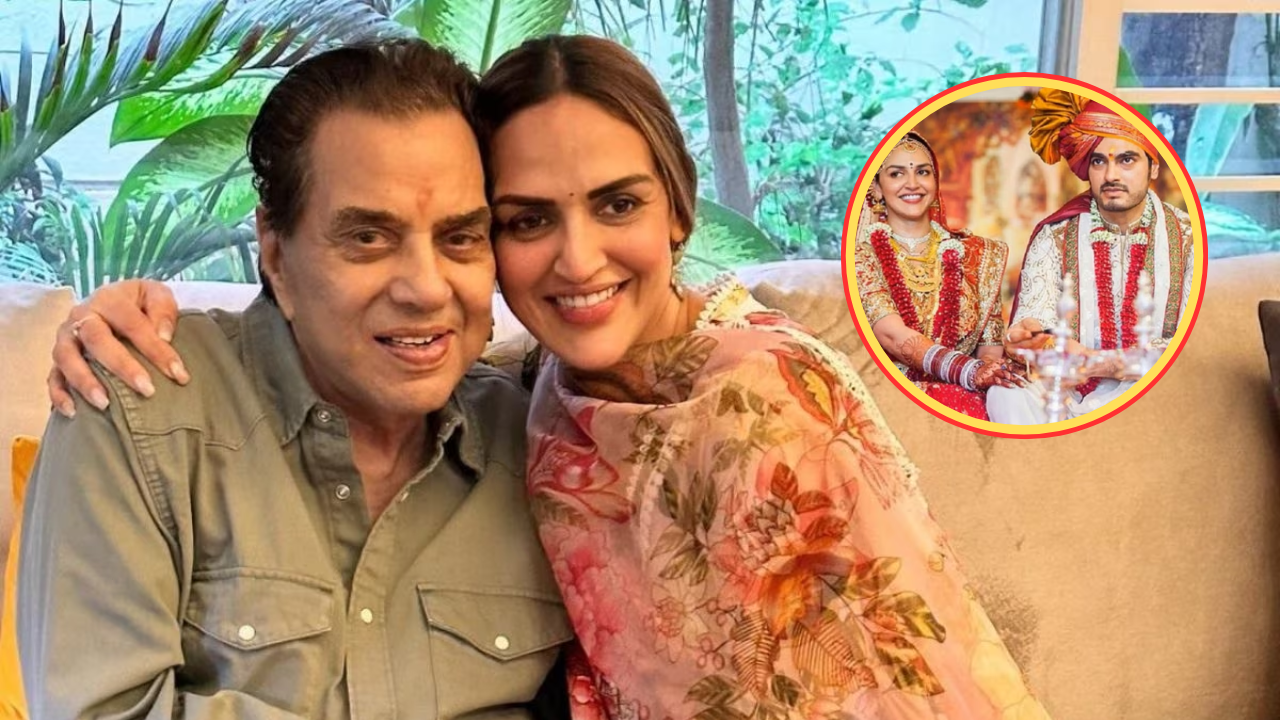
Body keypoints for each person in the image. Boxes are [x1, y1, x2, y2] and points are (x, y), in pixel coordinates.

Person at [47, 36, 1050, 720]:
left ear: (678, 210)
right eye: (525, 220)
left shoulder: (705, 403)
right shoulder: (532, 408)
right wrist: (117, 313)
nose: (575, 260)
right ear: (272, 249)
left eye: (462, 235)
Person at [18, 40, 572, 719]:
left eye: (459, 238)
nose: (428, 289)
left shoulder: (547, 447)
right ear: (275, 254)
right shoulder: (139, 412)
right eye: (368, 237)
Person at [987, 89, 1194, 424]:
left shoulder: (1188, 238)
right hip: (1070, 388)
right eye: (1099, 161)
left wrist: (1096, 362)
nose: (1111, 175)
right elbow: (1034, 326)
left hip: (1152, 390)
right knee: (1007, 393)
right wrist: (1032, 339)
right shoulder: (1056, 235)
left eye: (1127, 160)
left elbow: (1189, 350)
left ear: (1153, 167)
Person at [852, 131, 1017, 421]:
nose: (912, 184)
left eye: (923, 172)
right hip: (895, 398)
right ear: (876, 188)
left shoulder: (979, 255)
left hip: (971, 396)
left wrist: (991, 371)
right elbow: (891, 335)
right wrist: (968, 370)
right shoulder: (862, 257)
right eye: (896, 173)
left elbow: (989, 347)